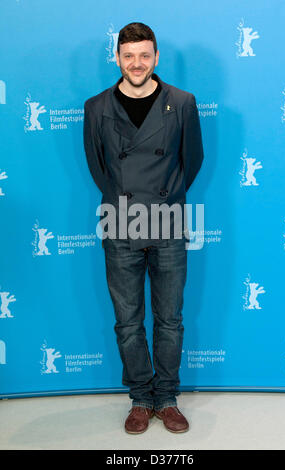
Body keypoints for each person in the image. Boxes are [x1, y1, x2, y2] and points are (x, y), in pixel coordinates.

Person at [83, 22, 204, 434]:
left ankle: (166, 398)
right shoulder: (95, 107)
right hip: (119, 222)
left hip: (168, 220)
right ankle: (140, 397)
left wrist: (167, 197)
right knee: (128, 321)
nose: (137, 63)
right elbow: (98, 168)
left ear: (156, 58)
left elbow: (193, 159)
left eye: (144, 55)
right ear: (117, 58)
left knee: (170, 319)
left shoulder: (182, 102)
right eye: (128, 55)